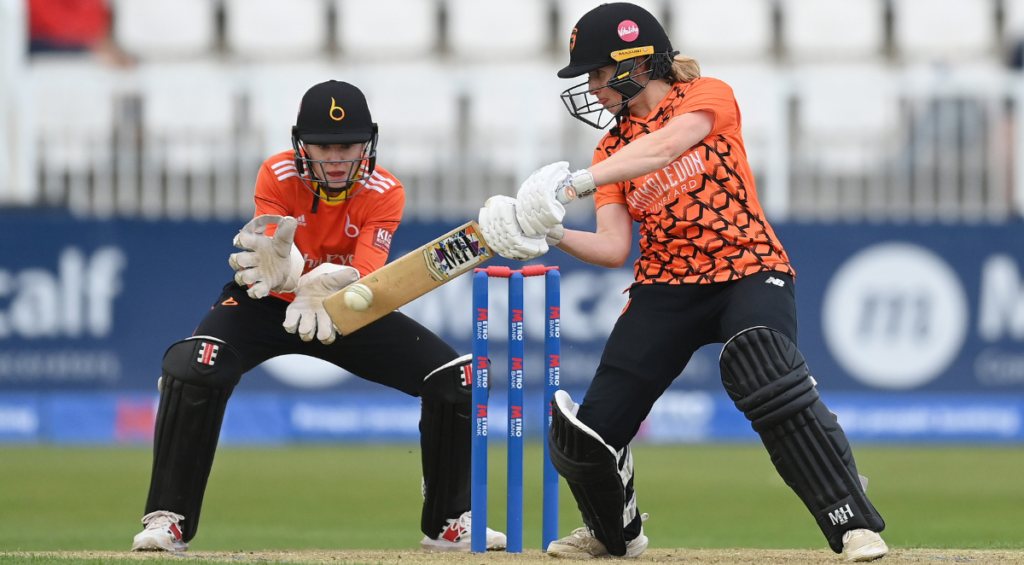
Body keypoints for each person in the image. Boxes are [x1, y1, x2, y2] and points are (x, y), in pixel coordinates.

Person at [478, 3, 888, 562]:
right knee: (588, 433)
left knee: (766, 372)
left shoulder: (705, 95)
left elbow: (668, 145)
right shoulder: (610, 149)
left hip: (748, 267)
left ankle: (852, 525)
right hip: (666, 287)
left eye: (599, 74)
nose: (593, 90)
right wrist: (551, 233)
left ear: (637, 63)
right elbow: (615, 247)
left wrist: (572, 184)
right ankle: (611, 531)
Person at [131, 80, 505, 554]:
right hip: (265, 301)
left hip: (344, 306)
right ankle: (169, 521)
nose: (334, 158)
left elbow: (368, 278)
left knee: (457, 379)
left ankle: (450, 523)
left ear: (367, 144)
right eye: (323, 146)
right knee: (196, 366)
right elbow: (267, 242)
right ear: (301, 144)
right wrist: (287, 272)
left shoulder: (385, 190)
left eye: (346, 146)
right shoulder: (277, 172)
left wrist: (322, 280)